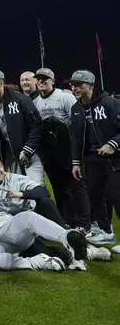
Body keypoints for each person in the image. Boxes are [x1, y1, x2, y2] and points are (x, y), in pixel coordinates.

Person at [33, 68, 89, 231]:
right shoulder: (36, 101)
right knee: (58, 187)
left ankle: (84, 223)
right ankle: (66, 219)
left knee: (76, 187)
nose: (41, 81)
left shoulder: (65, 97)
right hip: (51, 151)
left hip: (69, 149)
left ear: (53, 81)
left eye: (45, 79)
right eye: (39, 79)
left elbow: (77, 123)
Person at [69, 70, 120, 246]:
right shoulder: (75, 109)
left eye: (79, 85)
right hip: (91, 158)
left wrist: (113, 144)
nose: (74, 88)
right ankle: (106, 231)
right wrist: (76, 162)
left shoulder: (110, 103)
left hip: (115, 158)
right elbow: (75, 137)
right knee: (95, 195)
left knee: (116, 195)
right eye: (72, 85)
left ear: (91, 85)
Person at [0, 68, 44, 185]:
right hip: (4, 151)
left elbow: (37, 126)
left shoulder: (21, 99)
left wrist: (28, 148)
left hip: (30, 149)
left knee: (35, 185)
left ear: (1, 83)